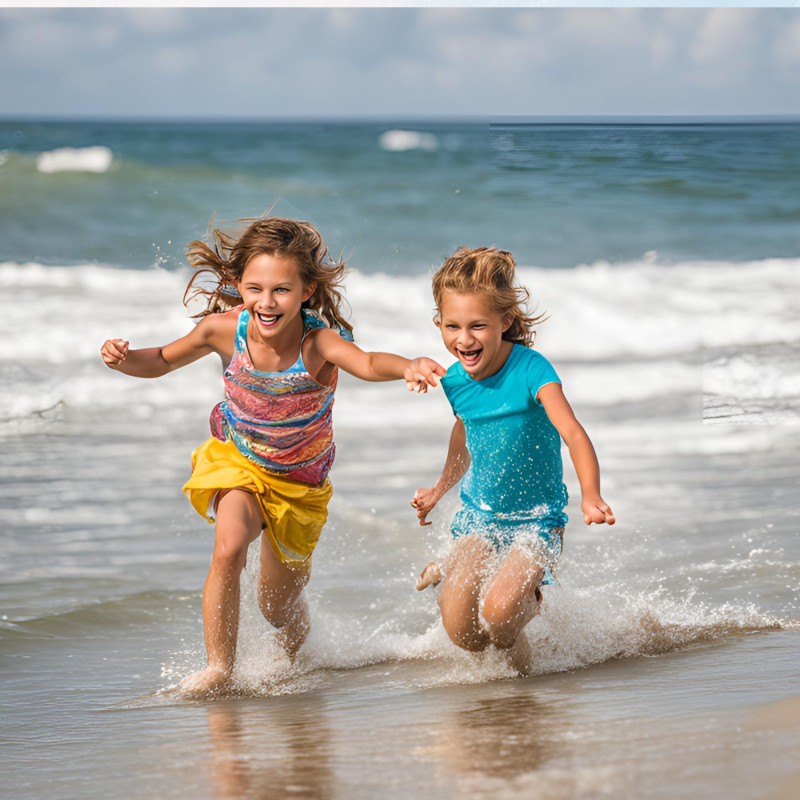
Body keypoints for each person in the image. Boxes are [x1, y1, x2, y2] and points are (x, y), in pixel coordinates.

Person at [101, 216, 444, 696]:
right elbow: (158, 360)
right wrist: (123, 358)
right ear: (238, 285)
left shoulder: (316, 343)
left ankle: (302, 648)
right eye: (255, 288)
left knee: (275, 605)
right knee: (229, 546)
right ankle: (220, 667)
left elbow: (366, 362)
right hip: (238, 462)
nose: (267, 302)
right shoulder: (221, 331)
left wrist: (407, 365)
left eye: (281, 289)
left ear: (306, 291)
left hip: (299, 486)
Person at [411, 246, 614, 674]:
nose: (463, 340)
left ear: (505, 322)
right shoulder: (455, 382)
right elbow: (464, 435)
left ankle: (524, 666)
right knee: (462, 632)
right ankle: (451, 570)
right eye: (452, 326)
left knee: (501, 617)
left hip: (536, 521)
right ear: (439, 324)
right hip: (480, 518)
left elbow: (573, 433)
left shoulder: (532, 369)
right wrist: (438, 490)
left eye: (478, 326)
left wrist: (591, 495)